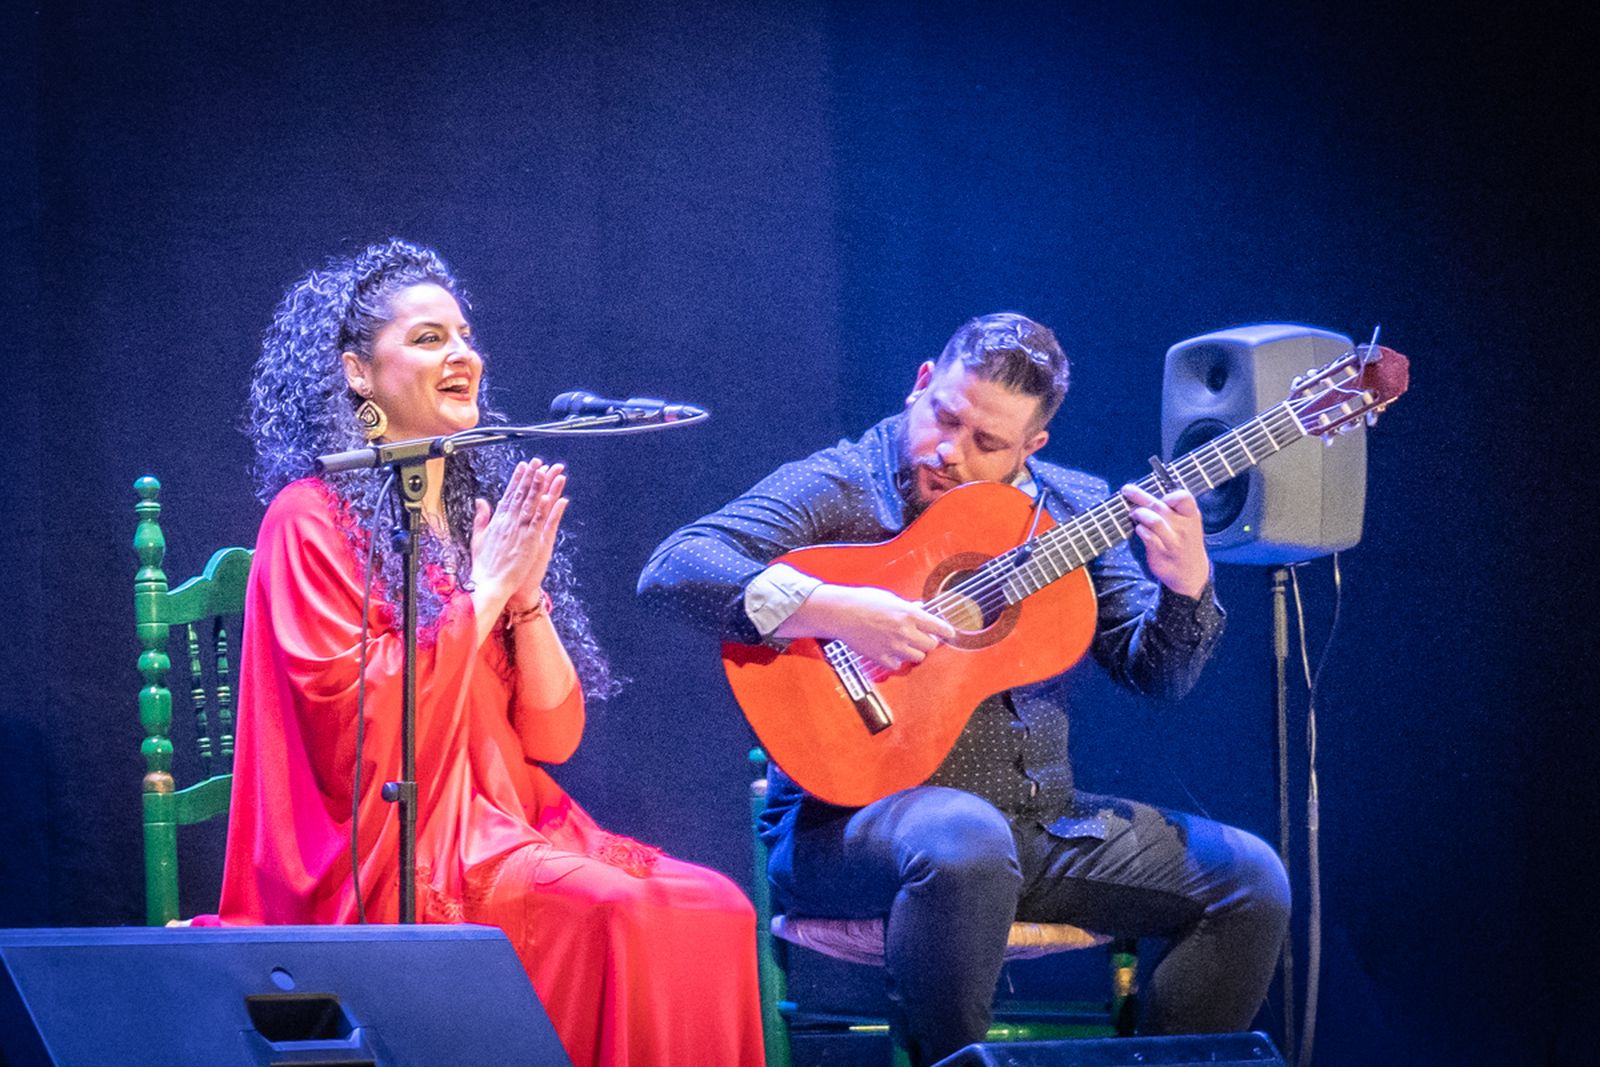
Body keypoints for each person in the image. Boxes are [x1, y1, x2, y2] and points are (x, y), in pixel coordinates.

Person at [638, 312, 1290, 1066]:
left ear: (1031, 448)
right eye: (944, 416)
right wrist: (839, 608)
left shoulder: (1071, 506)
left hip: (1038, 829)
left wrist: (1186, 589)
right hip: (845, 830)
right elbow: (675, 567)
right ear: (922, 383)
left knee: (1250, 881)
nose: (949, 451)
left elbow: (1159, 675)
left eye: (987, 443)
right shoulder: (845, 482)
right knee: (964, 841)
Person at [218, 238, 763, 1066]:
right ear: (358, 373)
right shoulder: (308, 517)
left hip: (505, 821)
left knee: (717, 905)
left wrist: (526, 593)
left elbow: (551, 739)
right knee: (625, 912)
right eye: (430, 337)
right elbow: (358, 724)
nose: (463, 353)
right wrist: (487, 589)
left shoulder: (473, 513)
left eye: (466, 335)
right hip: (385, 846)